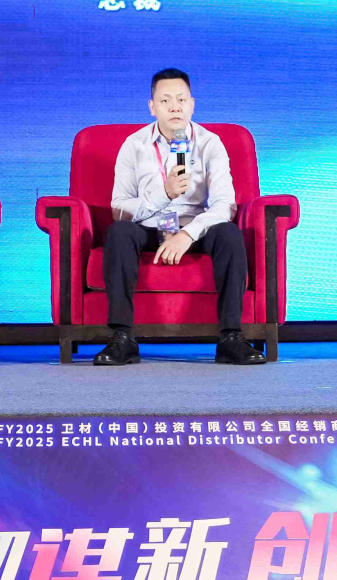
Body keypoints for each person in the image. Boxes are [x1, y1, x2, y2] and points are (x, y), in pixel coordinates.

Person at [91, 68, 265, 366]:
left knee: (229, 233)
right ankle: (123, 337)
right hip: (148, 227)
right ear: (152, 106)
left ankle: (231, 338)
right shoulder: (134, 145)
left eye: (181, 100)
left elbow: (225, 205)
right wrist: (164, 194)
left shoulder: (210, 143)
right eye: (165, 100)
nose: (175, 107)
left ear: (192, 104)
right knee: (118, 232)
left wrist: (187, 234)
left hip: (194, 228)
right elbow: (119, 208)